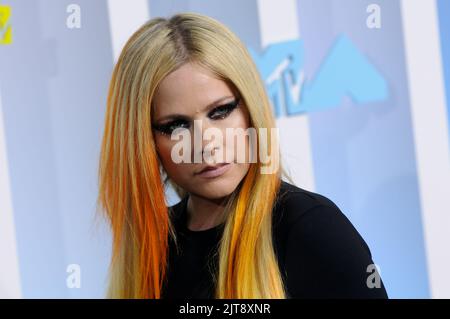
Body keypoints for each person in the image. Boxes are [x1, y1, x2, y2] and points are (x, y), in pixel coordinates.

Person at [97, 12, 388, 299]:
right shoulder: (153, 248)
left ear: (250, 107)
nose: (206, 143)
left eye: (221, 111)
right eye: (176, 126)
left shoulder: (310, 228)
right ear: (144, 141)